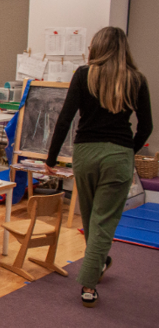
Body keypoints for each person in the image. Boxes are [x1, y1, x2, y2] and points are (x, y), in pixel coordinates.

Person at [45, 26, 152, 308]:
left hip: (85, 153)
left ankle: (98, 263)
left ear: (97, 47)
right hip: (117, 155)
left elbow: (65, 118)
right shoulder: (136, 79)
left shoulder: (83, 75)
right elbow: (147, 126)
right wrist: (128, 149)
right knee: (103, 221)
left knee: (91, 216)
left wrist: (51, 158)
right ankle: (89, 284)